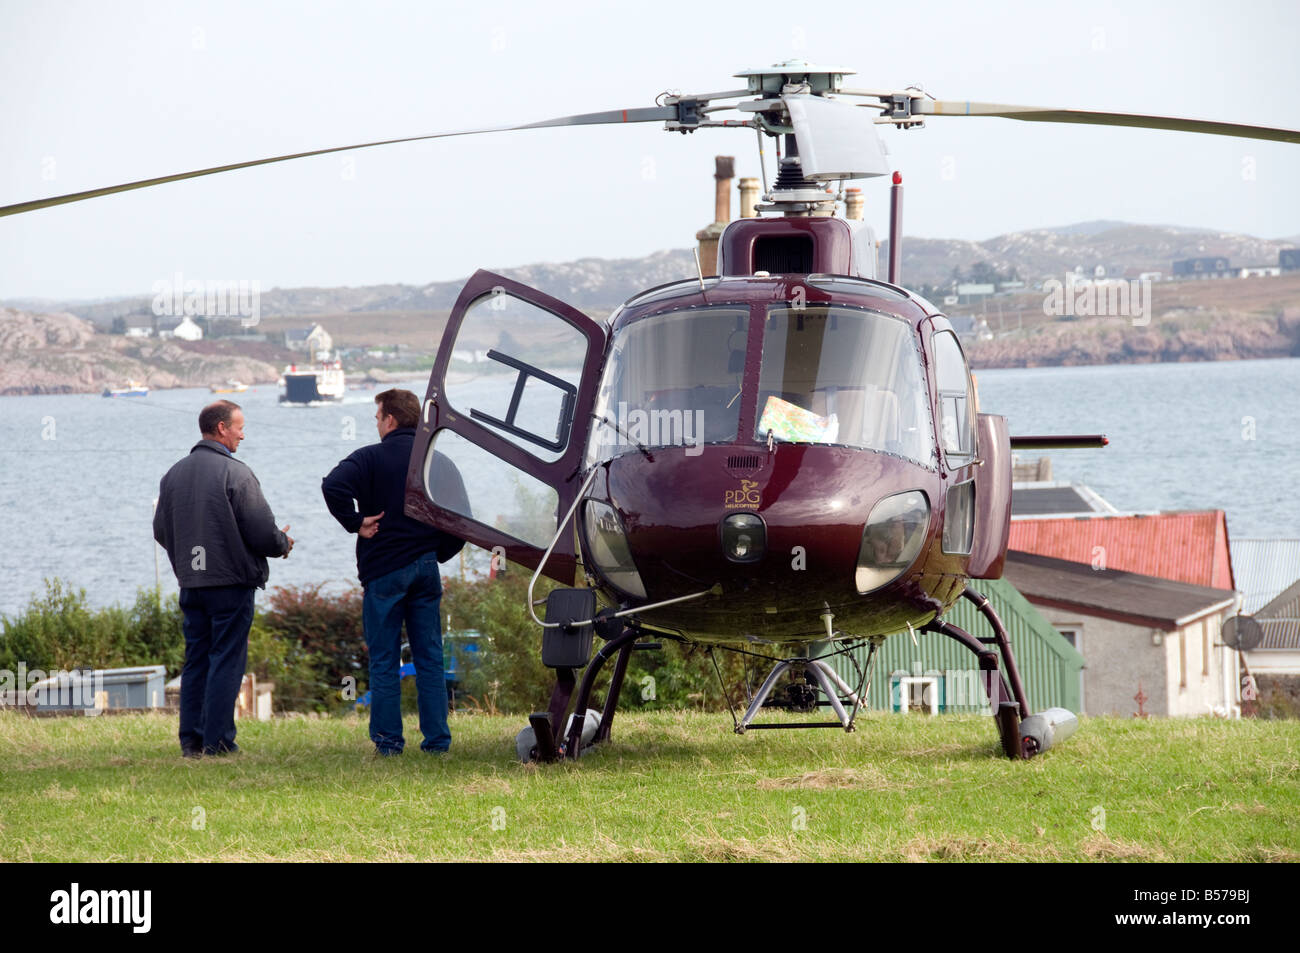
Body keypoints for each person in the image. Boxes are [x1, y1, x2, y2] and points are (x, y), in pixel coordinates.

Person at [321, 388, 468, 756]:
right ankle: (437, 742)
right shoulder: (438, 461)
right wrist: (438, 552)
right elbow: (462, 520)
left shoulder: (370, 458)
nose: (376, 424)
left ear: (390, 419)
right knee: (430, 658)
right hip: (425, 569)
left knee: (385, 659)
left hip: (384, 572)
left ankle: (389, 744)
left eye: (377, 417)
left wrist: (356, 522)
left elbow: (332, 485)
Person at [153, 400, 293, 757]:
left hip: (192, 584)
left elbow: (161, 530)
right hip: (230, 584)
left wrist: (186, 560)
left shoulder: (173, 475)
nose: (242, 434)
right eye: (239, 427)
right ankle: (218, 742)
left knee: (196, 660)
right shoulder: (237, 474)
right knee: (226, 659)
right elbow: (262, 531)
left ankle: (192, 741)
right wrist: (283, 543)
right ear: (221, 428)